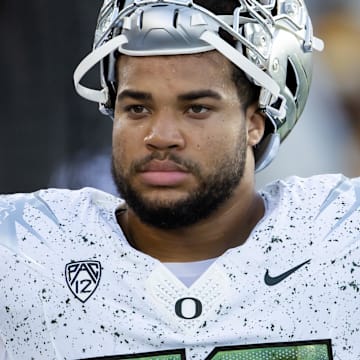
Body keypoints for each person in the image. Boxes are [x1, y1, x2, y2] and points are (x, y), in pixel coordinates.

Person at [0, 0, 359, 359]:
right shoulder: (22, 254)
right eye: (137, 108)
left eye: (196, 108)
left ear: (256, 122)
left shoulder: (343, 241)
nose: (160, 135)